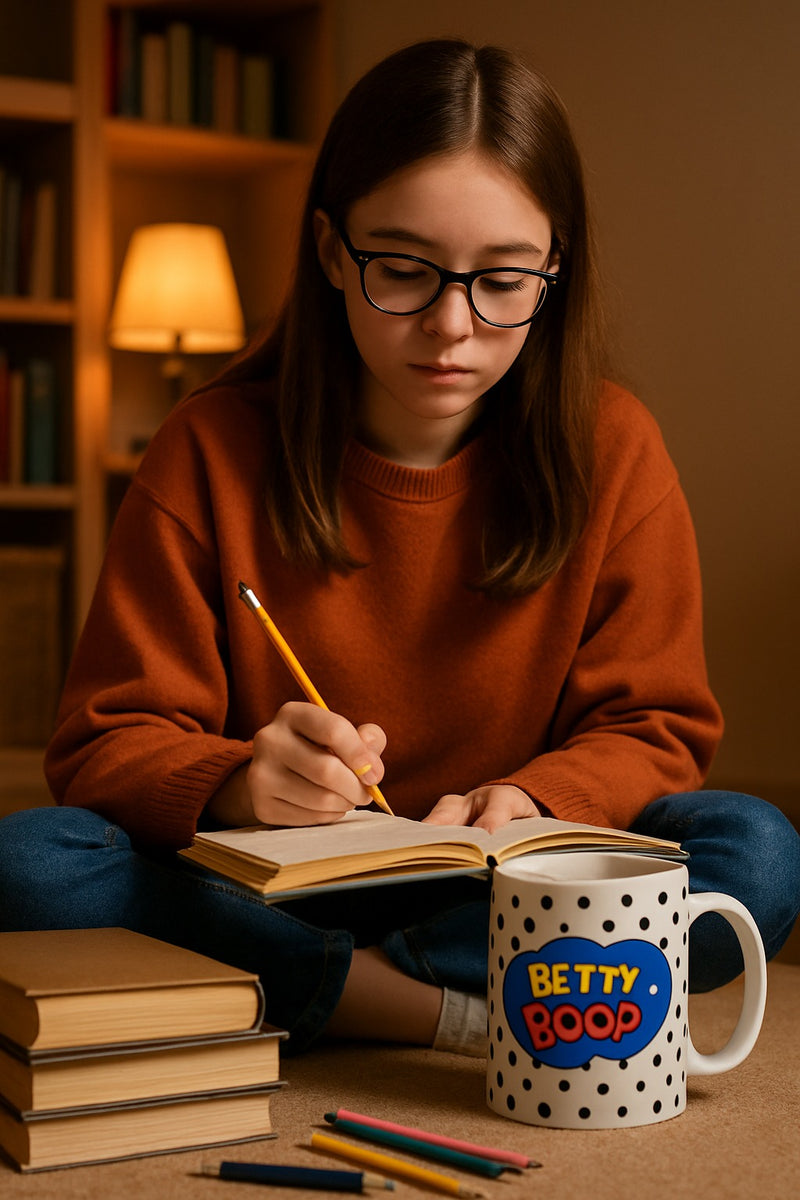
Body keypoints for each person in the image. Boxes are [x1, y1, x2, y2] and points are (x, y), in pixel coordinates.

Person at [0, 40, 797, 1056]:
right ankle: (429, 1013)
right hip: (269, 891)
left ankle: (331, 996)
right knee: (30, 862)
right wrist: (241, 779)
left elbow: (654, 723)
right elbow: (104, 740)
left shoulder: (613, 448)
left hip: (503, 894)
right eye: (403, 270)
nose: (451, 326)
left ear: (554, 267)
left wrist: (540, 801)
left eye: (503, 280)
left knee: (755, 851)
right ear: (332, 251)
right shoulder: (208, 449)